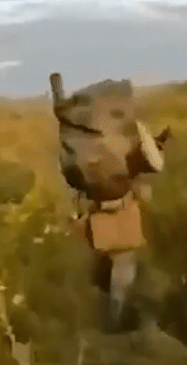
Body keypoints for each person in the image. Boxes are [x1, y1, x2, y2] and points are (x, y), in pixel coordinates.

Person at [49, 73, 169, 333]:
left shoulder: (80, 136)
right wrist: (153, 146)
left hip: (89, 208)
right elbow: (153, 165)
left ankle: (88, 310)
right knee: (123, 268)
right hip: (120, 209)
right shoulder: (130, 133)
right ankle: (114, 320)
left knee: (91, 261)